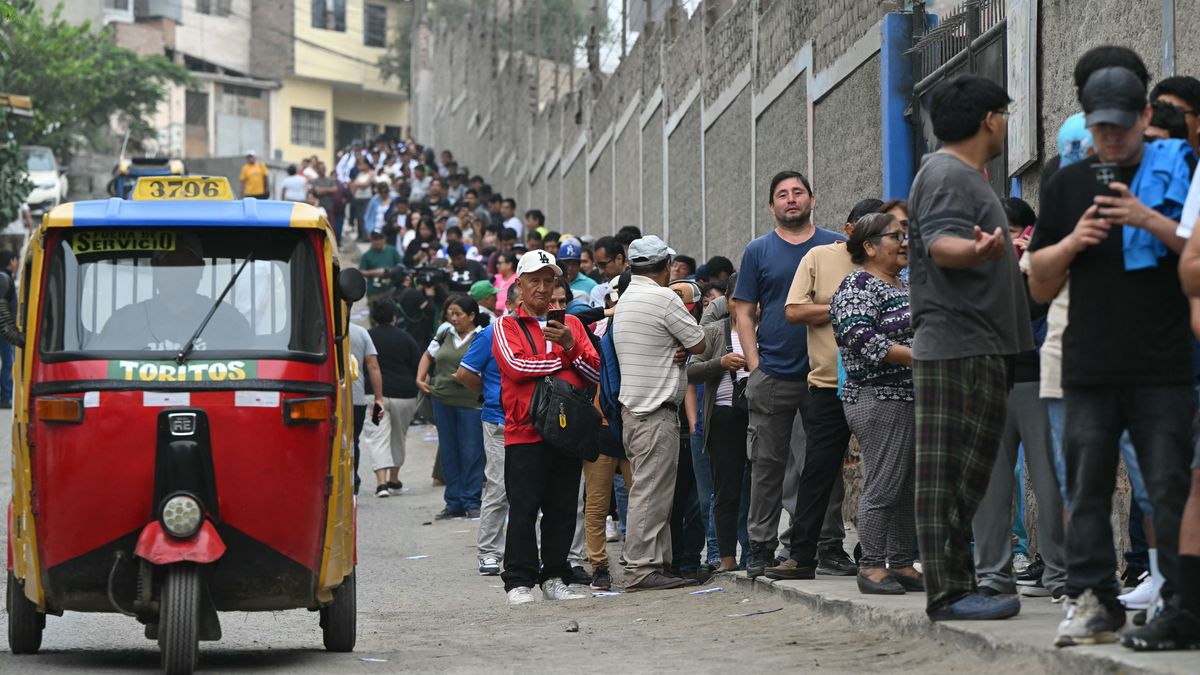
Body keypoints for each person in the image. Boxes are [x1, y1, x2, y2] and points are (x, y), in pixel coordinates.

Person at [1028, 62, 1195, 647]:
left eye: (1123, 126)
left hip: (1164, 363)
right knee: (1086, 488)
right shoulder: (1066, 183)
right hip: (1089, 365)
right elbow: (1038, 284)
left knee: (1167, 487)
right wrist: (1074, 240)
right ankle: (1094, 599)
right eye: (1102, 128)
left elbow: (1195, 252)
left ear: (1146, 117)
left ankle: (1179, 603)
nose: (1113, 138)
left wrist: (1146, 219)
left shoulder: (1180, 169)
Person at [907, 74, 1032, 622]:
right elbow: (941, 243)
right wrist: (977, 252)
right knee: (948, 476)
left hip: (977, 346)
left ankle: (958, 586)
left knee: (967, 475)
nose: (1007, 123)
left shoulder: (962, 175)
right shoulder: (946, 173)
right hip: (957, 347)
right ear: (990, 119)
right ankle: (949, 594)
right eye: (1005, 114)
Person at [733, 170, 844, 578]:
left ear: (813, 200)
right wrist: (753, 362)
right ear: (771, 206)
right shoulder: (758, 251)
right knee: (767, 465)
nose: (791, 199)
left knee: (824, 463)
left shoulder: (837, 246)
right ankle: (760, 548)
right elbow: (742, 309)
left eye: (798, 192)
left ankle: (828, 544)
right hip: (774, 372)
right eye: (782, 194)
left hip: (826, 374)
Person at [768, 199, 883, 580]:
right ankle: (801, 555)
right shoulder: (819, 258)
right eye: (868, 233)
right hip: (828, 385)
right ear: (850, 231)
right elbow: (794, 311)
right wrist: (843, 308)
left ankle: (874, 553)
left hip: (879, 385)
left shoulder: (890, 265)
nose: (875, 242)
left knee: (883, 471)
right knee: (817, 472)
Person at [971, 198, 1067, 603]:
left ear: (1028, 232)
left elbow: (1035, 309)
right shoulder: (972, 268)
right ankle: (993, 571)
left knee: (1049, 480)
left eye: (1009, 232)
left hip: (1037, 380)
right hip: (986, 382)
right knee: (989, 485)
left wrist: (1025, 262)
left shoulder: (1044, 264)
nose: (1000, 240)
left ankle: (1060, 571)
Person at [492, 249, 600, 605]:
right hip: (525, 432)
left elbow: (594, 374)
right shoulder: (507, 325)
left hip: (567, 432)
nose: (542, 287)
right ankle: (518, 581)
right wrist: (563, 357)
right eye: (534, 280)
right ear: (519, 286)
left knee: (562, 508)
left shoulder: (573, 326)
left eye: (548, 280)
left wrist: (569, 346)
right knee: (523, 508)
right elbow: (516, 366)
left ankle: (555, 576)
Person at [827, 213, 923, 595]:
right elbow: (859, 338)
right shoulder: (857, 285)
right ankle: (870, 566)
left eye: (906, 236)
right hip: (877, 396)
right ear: (868, 246)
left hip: (911, 396)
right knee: (884, 484)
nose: (904, 243)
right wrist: (919, 356)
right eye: (894, 237)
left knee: (905, 485)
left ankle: (899, 562)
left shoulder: (902, 284)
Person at [614, 236, 706, 591]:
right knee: (651, 494)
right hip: (655, 412)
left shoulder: (627, 299)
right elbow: (699, 341)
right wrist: (682, 344)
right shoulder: (663, 297)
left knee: (652, 491)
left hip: (635, 412)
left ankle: (657, 564)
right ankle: (641, 568)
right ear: (666, 266)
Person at [687, 272, 751, 572]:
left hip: (758, 415)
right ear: (730, 300)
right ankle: (726, 555)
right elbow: (692, 371)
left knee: (759, 487)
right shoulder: (714, 332)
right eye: (741, 298)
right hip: (724, 416)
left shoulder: (764, 331)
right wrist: (721, 363)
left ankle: (755, 552)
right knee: (726, 489)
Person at [454, 284, 520, 576]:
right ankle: (489, 552)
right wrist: (489, 395)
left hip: (534, 422)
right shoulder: (491, 334)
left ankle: (529, 551)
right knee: (499, 486)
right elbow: (464, 373)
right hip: (499, 421)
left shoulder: (547, 332)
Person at [95, 235, 252, 351]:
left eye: (186, 263)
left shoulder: (229, 321)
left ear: (201, 269)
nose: (179, 272)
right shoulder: (123, 322)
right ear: (154, 268)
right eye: (170, 264)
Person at [416, 296, 488, 520]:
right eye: (451, 314)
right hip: (443, 400)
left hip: (471, 402)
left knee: (472, 452)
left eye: (458, 314)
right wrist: (420, 378)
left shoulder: (483, 335)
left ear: (472, 316)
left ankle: (471, 500)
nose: (454, 318)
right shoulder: (445, 332)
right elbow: (429, 355)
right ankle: (453, 501)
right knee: (449, 451)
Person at [360, 300, 421, 498]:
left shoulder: (367, 337)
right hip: (404, 397)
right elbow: (417, 366)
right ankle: (394, 479)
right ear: (395, 316)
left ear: (373, 318)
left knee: (377, 436)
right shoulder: (406, 338)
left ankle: (381, 484)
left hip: (375, 398)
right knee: (398, 436)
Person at [348, 321, 384, 495]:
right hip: (356, 398)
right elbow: (373, 366)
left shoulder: (319, 327)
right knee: (353, 441)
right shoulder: (360, 332)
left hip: (330, 394)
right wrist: (378, 399)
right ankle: (353, 482)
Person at [360, 230, 404, 304]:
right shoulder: (366, 255)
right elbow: (361, 271)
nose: (377, 242)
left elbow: (401, 265)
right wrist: (375, 272)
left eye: (380, 239)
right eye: (375, 239)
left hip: (391, 289)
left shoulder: (392, 251)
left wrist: (390, 271)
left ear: (384, 239)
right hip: (374, 291)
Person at [0, 251, 20, 408]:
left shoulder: (5, 278)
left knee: (8, 362)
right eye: (16, 260)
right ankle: (6, 397)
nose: (17, 264)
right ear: (10, 261)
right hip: (4, 329)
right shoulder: (4, 278)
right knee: (8, 362)